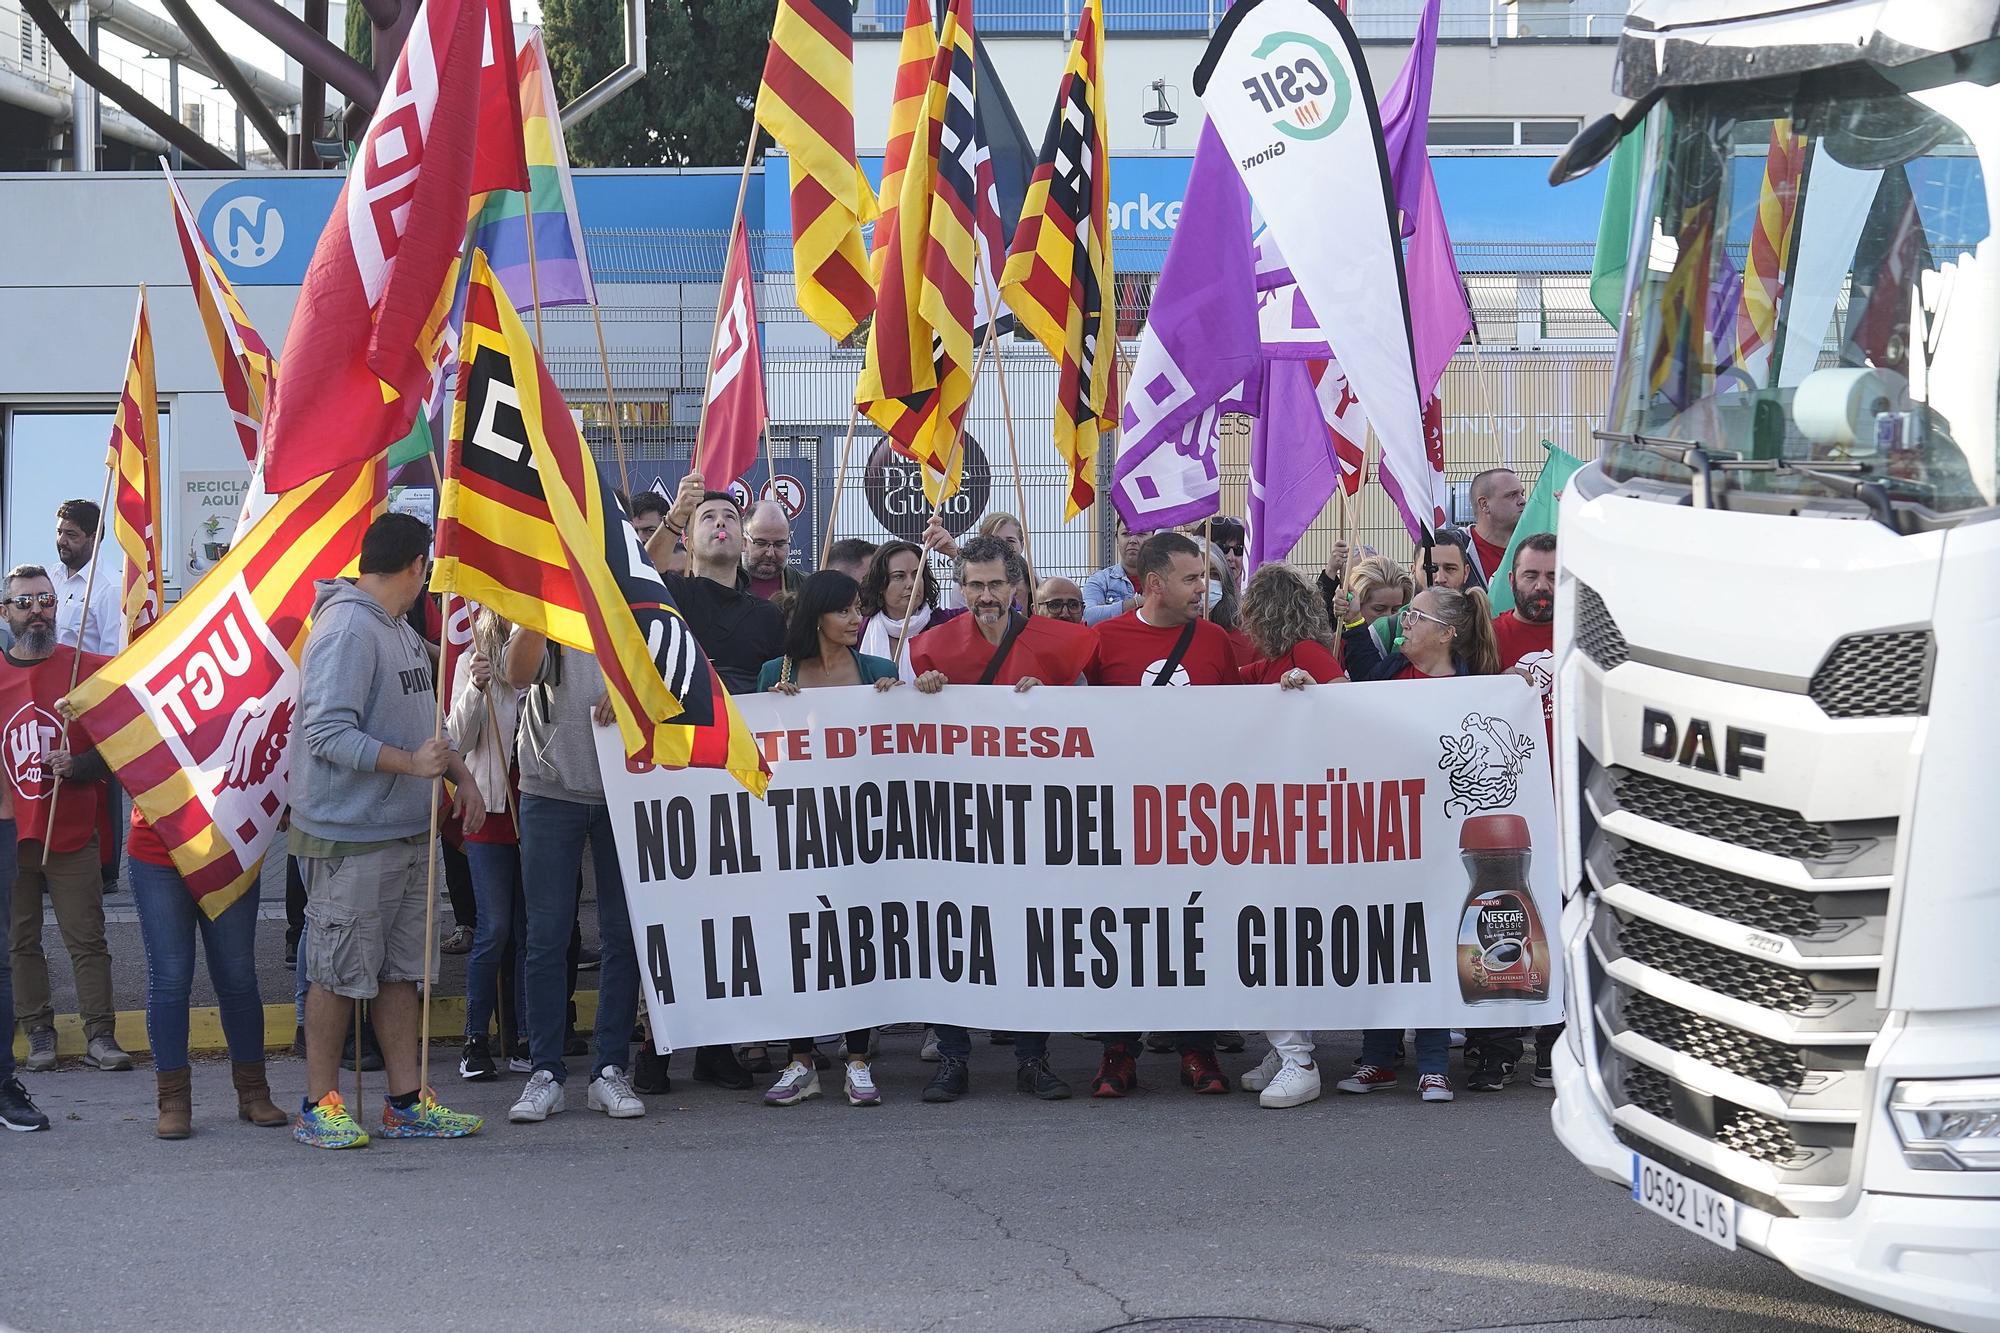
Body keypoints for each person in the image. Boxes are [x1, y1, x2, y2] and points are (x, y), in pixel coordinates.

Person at [290, 514, 488, 1149]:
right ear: (416, 565)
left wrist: (462, 775)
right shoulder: (348, 629)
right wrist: (413, 765)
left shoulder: (396, 628)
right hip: (351, 837)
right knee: (337, 972)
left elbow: (424, 724)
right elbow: (326, 734)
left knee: (401, 973)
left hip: (404, 832)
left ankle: (404, 1101)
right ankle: (319, 1103)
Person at [910, 536, 1095, 1103]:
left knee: (1029, 934)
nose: (986, 595)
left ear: (1016, 587)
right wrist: (923, 694)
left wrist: (1055, 701)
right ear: (960, 588)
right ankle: (953, 1057)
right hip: (957, 820)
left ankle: (1031, 1058)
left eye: (995, 584)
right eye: (975, 585)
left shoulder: (1061, 646)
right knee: (951, 932)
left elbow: (1091, 719)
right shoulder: (931, 649)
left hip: (1031, 816)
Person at [1337, 582, 1505, 1104]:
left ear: (1447, 633)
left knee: (1429, 950)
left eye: (1415, 616)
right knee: (1383, 948)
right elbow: (1353, 685)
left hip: (1442, 844)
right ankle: (1378, 1060)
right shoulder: (1394, 671)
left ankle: (1433, 1065)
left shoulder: (1479, 691)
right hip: (1386, 838)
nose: (1404, 623)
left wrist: (1517, 688)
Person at [1083, 532, 1237, 1098]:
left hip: (1196, 820)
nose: (1205, 588)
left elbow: (1244, 713)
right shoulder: (1103, 640)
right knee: (1122, 931)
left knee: (1192, 934)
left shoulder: (1217, 641)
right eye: (1192, 578)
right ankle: (1117, 1051)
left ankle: (1196, 1046)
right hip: (1125, 817)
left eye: (1206, 577)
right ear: (1153, 584)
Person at [754, 571, 902, 1106]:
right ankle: (800, 1060)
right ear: (817, 615)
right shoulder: (777, 672)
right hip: (799, 833)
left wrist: (898, 699)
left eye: (860, 609)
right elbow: (756, 753)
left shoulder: (878, 671)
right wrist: (773, 707)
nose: (857, 619)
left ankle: (857, 1058)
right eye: (845, 611)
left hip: (863, 832)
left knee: (857, 938)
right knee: (804, 942)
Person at [501, 624, 652, 1122]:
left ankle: (610, 1068)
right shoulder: (547, 603)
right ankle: (544, 1071)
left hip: (623, 789)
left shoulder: (633, 600)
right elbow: (516, 672)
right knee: (546, 938)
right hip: (550, 791)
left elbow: (672, 682)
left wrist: (630, 697)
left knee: (622, 937)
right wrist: (536, 615)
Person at [1, 565, 131, 1075]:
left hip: (72, 829)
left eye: (46, 601)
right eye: (26, 602)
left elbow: (127, 739)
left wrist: (79, 766)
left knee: (87, 938)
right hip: (12, 836)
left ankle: (101, 1034)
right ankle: (38, 1032)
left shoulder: (89, 667)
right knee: (20, 940)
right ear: (6, 613)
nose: (38, 611)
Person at [1231, 565, 1346, 1109]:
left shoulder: (1307, 656)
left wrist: (1312, 693)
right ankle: (1284, 1048)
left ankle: (1299, 1058)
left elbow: (1347, 709)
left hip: (1298, 825)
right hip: (1273, 821)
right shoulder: (1276, 661)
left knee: (1274, 939)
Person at [125, 806, 286, 1137]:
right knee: (169, 978)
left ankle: (254, 1091)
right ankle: (173, 1102)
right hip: (158, 849)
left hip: (230, 846)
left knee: (238, 976)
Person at [1471, 531, 1561, 1092]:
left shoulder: (1588, 638)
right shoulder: (1492, 638)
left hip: (1571, 807)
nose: (1542, 587)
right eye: (1532, 576)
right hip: (1506, 810)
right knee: (1500, 923)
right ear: (1512, 579)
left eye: (1553, 576)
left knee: (1563, 926)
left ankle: (1556, 1045)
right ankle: (1496, 1048)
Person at [448, 605, 527, 1084]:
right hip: (491, 812)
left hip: (540, 809)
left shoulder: (547, 654)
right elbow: (455, 740)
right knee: (495, 928)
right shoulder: (472, 657)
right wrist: (476, 689)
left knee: (531, 930)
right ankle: (475, 1039)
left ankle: (521, 1036)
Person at [647, 478, 786, 697]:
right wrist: (676, 516)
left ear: (743, 543)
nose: (720, 523)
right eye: (708, 517)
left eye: (729, 517)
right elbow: (643, 574)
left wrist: (780, 692)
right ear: (687, 540)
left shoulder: (768, 615)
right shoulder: (672, 595)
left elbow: (780, 680)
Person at [856, 539, 961, 681]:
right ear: (880, 584)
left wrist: (957, 555)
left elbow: (990, 611)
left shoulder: (947, 622)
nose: (911, 584)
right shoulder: (858, 629)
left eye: (917, 575)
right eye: (899, 576)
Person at [51, 499, 122, 656]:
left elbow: (111, 657)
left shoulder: (111, 587)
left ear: (93, 538)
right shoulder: (51, 575)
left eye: (71, 534)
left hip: (85, 679)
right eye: (59, 532)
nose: (61, 541)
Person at [1082, 516, 1147, 626]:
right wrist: (1138, 602)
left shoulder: (1166, 580)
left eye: (1141, 534)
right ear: (1117, 539)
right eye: (1126, 534)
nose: (1133, 540)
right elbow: (1088, 617)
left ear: (1153, 539)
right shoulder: (1100, 580)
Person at [1467, 467, 1526, 585]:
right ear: (1484, 504)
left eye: (1522, 494)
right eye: (1512, 495)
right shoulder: (1458, 549)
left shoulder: (1531, 549)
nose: (1522, 501)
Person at [742, 500, 805, 607]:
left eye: (779, 544)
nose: (770, 553)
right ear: (743, 542)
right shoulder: (722, 586)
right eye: (761, 543)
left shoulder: (805, 588)